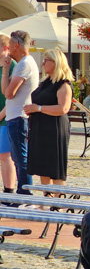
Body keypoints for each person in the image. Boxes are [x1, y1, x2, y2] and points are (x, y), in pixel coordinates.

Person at [23, 49, 73, 187]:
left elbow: (63, 108)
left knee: (55, 169)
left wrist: (38, 108)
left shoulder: (63, 84)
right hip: (40, 128)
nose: (43, 64)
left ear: (56, 63)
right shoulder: (45, 82)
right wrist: (32, 109)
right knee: (42, 168)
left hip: (54, 129)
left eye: (46, 60)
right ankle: (45, 203)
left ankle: (58, 205)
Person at [1, 30, 38, 195]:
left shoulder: (24, 64)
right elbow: (5, 91)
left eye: (10, 44)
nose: (9, 47)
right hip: (14, 116)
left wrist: (8, 72)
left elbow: (9, 93)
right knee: (17, 157)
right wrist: (6, 69)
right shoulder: (21, 63)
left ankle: (25, 193)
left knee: (20, 158)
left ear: (16, 45)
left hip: (18, 117)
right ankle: (23, 192)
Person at [0, 35, 17, 196]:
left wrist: (1, 114)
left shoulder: (12, 66)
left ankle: (9, 190)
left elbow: (12, 95)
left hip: (7, 116)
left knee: (5, 155)